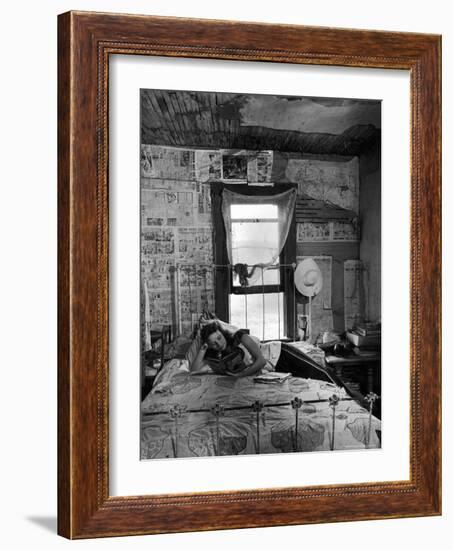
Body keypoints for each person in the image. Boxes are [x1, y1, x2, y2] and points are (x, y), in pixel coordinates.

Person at [190, 321, 267, 377]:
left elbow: (262, 361)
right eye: (214, 344)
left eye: (219, 338)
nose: (219, 344)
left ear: (222, 332)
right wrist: (202, 349)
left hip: (275, 358)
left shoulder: (239, 337)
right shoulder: (214, 357)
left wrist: (241, 375)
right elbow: (194, 371)